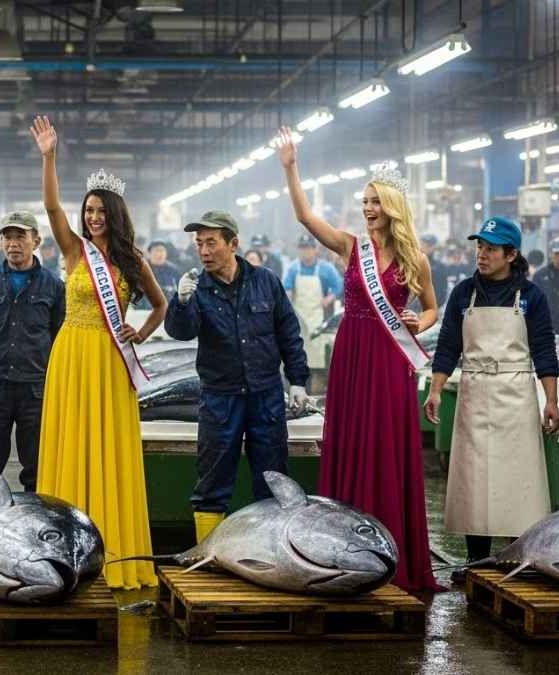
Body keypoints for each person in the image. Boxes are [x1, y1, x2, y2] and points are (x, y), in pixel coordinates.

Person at [277, 127, 441, 594]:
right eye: (365, 201)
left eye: (375, 202)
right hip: (352, 354)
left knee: (386, 443)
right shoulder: (352, 247)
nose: (368, 209)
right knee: (351, 439)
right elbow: (306, 216)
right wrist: (291, 168)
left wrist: (419, 323)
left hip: (389, 360)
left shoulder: (416, 259)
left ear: (392, 207)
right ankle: (342, 548)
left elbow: (433, 308)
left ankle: (390, 550)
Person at [29, 116, 166, 590]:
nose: (93, 217)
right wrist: (49, 157)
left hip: (110, 361)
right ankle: (64, 547)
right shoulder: (74, 251)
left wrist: (140, 332)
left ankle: (113, 549)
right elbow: (51, 207)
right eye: (88, 210)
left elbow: (161, 305)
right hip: (71, 356)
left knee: (108, 449)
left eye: (101, 210)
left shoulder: (132, 260)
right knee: (71, 442)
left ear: (115, 213)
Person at [423, 218, 559, 582]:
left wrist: (551, 400)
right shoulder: (464, 292)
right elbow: (448, 345)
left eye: (491, 249)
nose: (482, 255)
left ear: (511, 255)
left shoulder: (531, 296)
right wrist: (435, 390)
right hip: (474, 391)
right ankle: (476, 559)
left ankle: (519, 556)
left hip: (516, 394)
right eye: (479, 247)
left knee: (518, 479)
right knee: (474, 479)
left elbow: (544, 349)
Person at [165, 213, 309, 543]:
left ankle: (270, 549)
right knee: (212, 483)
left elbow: (288, 333)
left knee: (273, 480)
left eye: (211, 243)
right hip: (220, 398)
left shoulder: (266, 281)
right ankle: (209, 554)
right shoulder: (198, 288)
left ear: (233, 244)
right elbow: (181, 332)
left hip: (266, 395)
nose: (204, 251)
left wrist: (298, 380)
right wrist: (181, 302)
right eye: (199, 244)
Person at [0, 211, 65, 502]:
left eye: (20, 237)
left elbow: (61, 340)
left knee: (39, 465)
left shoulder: (54, 287)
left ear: (36, 241)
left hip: (36, 388)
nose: (13, 243)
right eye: (7, 237)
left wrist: (61, 385)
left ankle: (37, 520)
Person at [283, 233, 344, 366]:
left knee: (317, 351)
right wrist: (288, 297)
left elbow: (338, 285)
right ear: (298, 250)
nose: (306, 251)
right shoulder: (293, 268)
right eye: (303, 248)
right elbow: (286, 288)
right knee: (298, 349)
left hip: (319, 316)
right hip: (298, 316)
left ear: (315, 250)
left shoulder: (326, 268)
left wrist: (329, 298)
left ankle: (318, 375)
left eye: (309, 248)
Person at [139, 240, 181, 309]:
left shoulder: (173, 270)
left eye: (162, 251)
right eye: (156, 251)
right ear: (149, 254)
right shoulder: (143, 269)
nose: (159, 254)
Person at [419, 234, 449, 307]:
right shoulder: (412, 263)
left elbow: (442, 288)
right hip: (413, 306)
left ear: (433, 247)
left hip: (432, 305)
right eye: (423, 244)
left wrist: (436, 305)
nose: (424, 248)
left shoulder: (440, 266)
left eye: (428, 246)